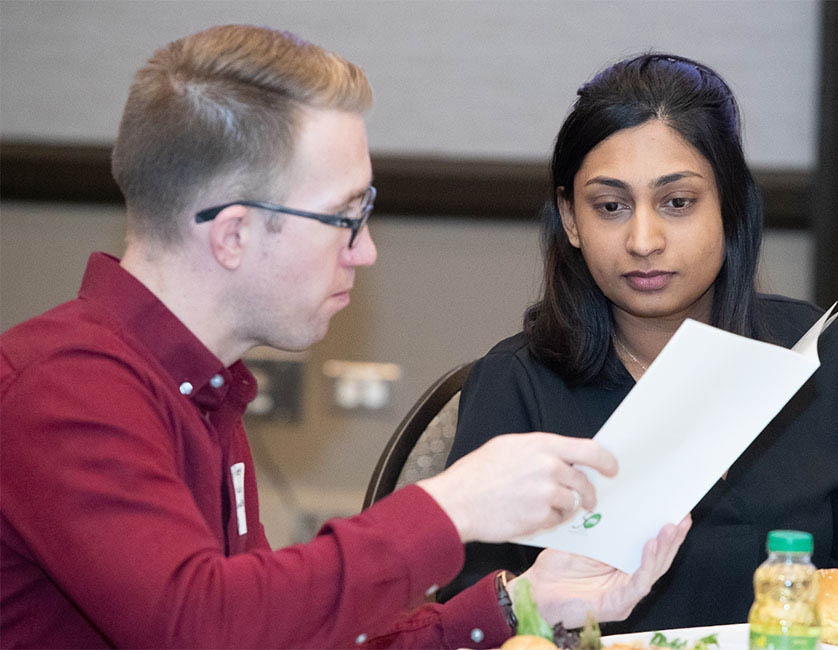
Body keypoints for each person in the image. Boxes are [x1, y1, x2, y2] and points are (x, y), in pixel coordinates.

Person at [0, 28, 691, 649]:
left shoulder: (200, 389)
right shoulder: (66, 388)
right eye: (344, 217)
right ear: (234, 234)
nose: (364, 251)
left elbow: (277, 633)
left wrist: (521, 603)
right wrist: (451, 505)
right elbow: (204, 628)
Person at [442, 52, 838, 632]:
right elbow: (467, 619)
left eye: (677, 203)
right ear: (571, 219)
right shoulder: (516, 384)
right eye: (611, 207)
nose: (644, 241)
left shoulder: (813, 356)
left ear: (729, 207)